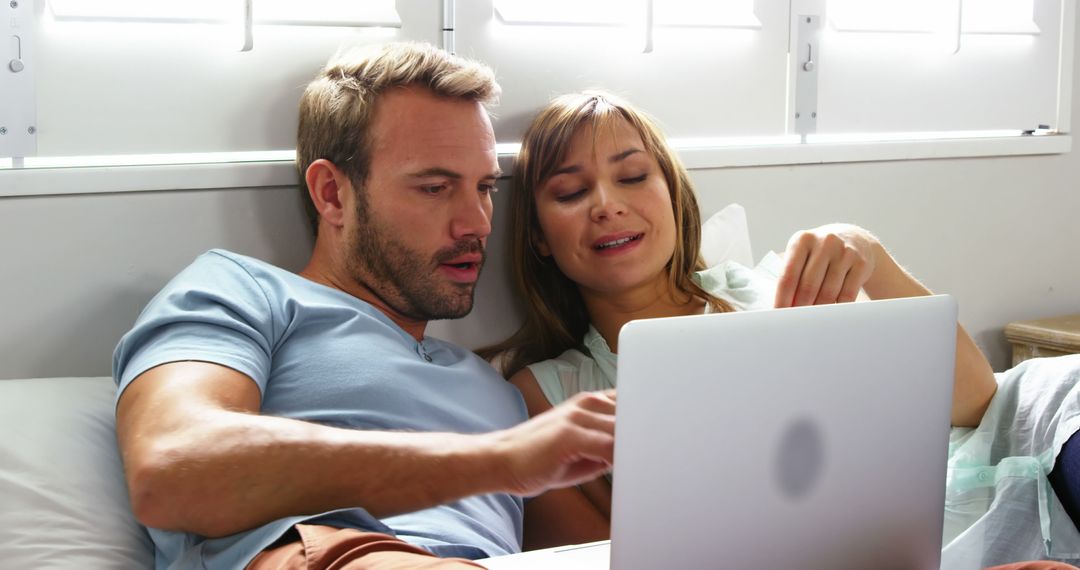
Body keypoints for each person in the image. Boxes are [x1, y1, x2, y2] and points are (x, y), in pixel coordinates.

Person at [479, 90, 1080, 569]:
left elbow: (978, 403)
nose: (607, 204)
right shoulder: (548, 393)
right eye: (571, 191)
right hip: (910, 546)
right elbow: (601, 556)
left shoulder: (780, 286)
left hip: (1026, 445)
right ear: (539, 237)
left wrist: (871, 255)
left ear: (672, 196)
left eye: (633, 176)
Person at [111, 43, 618, 570]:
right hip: (330, 551)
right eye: (435, 188)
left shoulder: (496, 391)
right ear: (332, 193)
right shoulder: (241, 291)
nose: (478, 222)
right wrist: (503, 459)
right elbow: (170, 470)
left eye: (485, 187)